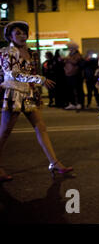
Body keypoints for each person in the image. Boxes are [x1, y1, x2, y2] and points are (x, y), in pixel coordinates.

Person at [0, 21, 73, 182]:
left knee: (41, 128)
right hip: (13, 93)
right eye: (18, 33)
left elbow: (32, 72)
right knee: (4, 132)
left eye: (24, 32)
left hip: (29, 94)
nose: (22, 36)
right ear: (10, 36)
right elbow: (13, 74)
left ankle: (54, 162)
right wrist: (39, 79)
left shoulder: (31, 53)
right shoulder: (6, 52)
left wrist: (36, 86)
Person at [64, 41, 85, 110]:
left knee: (78, 89)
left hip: (76, 74)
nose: (68, 48)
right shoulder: (71, 54)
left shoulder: (77, 54)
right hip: (69, 74)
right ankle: (73, 103)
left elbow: (76, 62)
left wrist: (68, 59)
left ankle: (80, 103)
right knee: (70, 89)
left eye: (69, 47)